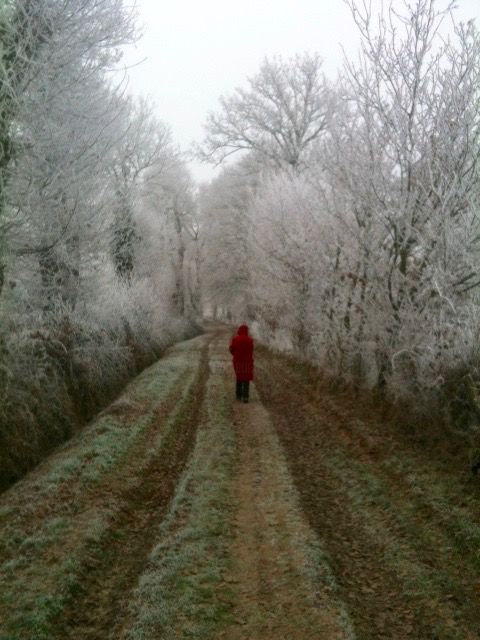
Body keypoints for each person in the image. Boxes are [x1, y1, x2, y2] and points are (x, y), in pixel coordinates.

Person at [229, 324, 254, 403]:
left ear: (239, 331)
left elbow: (232, 349)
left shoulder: (235, 339)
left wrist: (235, 354)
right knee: (246, 378)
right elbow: (251, 350)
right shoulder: (250, 340)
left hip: (238, 361)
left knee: (239, 377)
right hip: (247, 361)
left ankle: (238, 395)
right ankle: (245, 397)